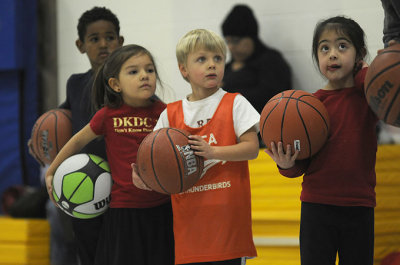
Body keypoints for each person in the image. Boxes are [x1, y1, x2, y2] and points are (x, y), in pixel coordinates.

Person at [133, 29, 259, 264]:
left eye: (218, 58)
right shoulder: (170, 114)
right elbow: (152, 158)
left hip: (228, 228)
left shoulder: (235, 102)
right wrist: (142, 173)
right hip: (189, 228)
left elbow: (252, 148)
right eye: (202, 59)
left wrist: (213, 152)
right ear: (184, 69)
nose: (212, 65)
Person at [45, 44, 174, 265]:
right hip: (123, 211)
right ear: (115, 84)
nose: (144, 76)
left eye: (150, 70)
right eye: (134, 71)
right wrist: (51, 171)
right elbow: (76, 141)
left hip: (161, 209)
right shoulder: (108, 115)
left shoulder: (165, 112)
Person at [266, 16, 378, 265]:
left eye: (342, 46)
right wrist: (286, 165)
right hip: (317, 206)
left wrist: (362, 72)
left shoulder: (367, 97)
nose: (333, 55)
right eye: (324, 48)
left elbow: (380, 85)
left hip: (359, 206)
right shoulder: (309, 105)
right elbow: (300, 165)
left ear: (359, 54)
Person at [27, 6, 124, 265]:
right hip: (83, 186)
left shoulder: (131, 83)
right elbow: (57, 123)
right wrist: (38, 141)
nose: (103, 44)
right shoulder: (76, 83)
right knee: (88, 255)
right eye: (94, 39)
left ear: (121, 42)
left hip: (122, 189)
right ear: (81, 45)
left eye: (110, 37)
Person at [221, 4, 292, 114]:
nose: (230, 47)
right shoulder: (227, 67)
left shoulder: (271, 61)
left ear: (251, 37)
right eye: (228, 42)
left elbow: (272, 97)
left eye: (235, 40)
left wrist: (228, 94)